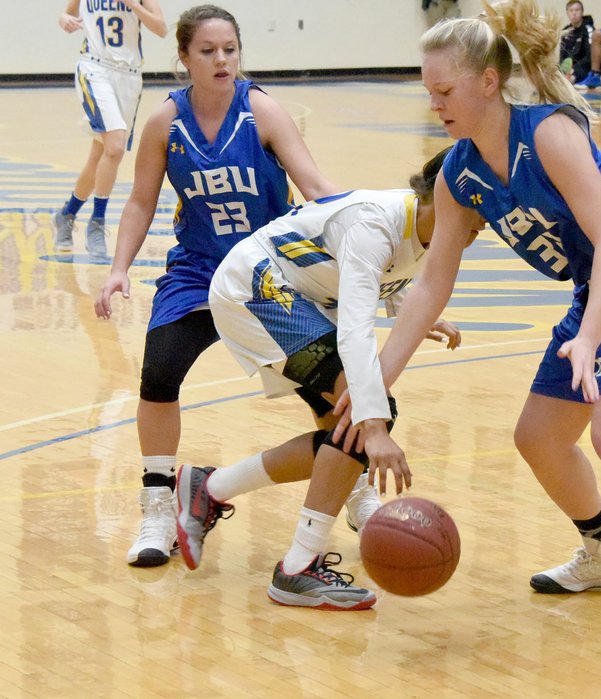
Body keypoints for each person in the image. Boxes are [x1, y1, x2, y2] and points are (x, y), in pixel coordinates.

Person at [359, 0, 601, 663]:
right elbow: (430, 285)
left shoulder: (550, 135)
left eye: (444, 90)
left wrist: (589, 340)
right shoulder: (459, 173)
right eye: (429, 92)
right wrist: (373, 383)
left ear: (485, 82)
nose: (435, 104)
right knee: (538, 436)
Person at [94, 5, 375, 570]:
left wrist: (368, 235)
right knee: (159, 371)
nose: (222, 60)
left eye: (230, 50)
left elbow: (316, 185)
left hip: (270, 272)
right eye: (208, 51)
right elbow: (142, 200)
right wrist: (119, 266)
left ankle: (358, 490)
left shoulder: (262, 111)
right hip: (199, 269)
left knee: (325, 388)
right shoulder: (164, 124)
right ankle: (157, 506)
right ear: (184, 58)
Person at [175, 149, 482, 609]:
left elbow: (388, 280)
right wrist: (375, 423)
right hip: (258, 287)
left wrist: (412, 313)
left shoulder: (433, 230)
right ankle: (298, 566)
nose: (482, 225)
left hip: (305, 300)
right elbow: (357, 327)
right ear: (440, 195)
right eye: (477, 211)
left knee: (342, 433)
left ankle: (210, 487)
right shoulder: (373, 224)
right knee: (366, 419)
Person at [54, 0, 167, 259]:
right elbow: (66, 14)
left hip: (129, 76)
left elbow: (160, 28)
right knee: (115, 147)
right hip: (94, 68)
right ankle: (98, 221)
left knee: (101, 155)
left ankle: (67, 214)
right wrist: (64, 20)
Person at [560, 1, 594, 84]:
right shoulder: (565, 31)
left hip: (583, 67)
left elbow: (589, 58)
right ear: (567, 13)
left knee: (568, 80)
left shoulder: (589, 30)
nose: (574, 13)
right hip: (567, 68)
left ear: (582, 12)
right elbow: (561, 55)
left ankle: (567, 81)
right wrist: (563, 68)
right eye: (571, 10)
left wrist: (573, 69)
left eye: (577, 10)